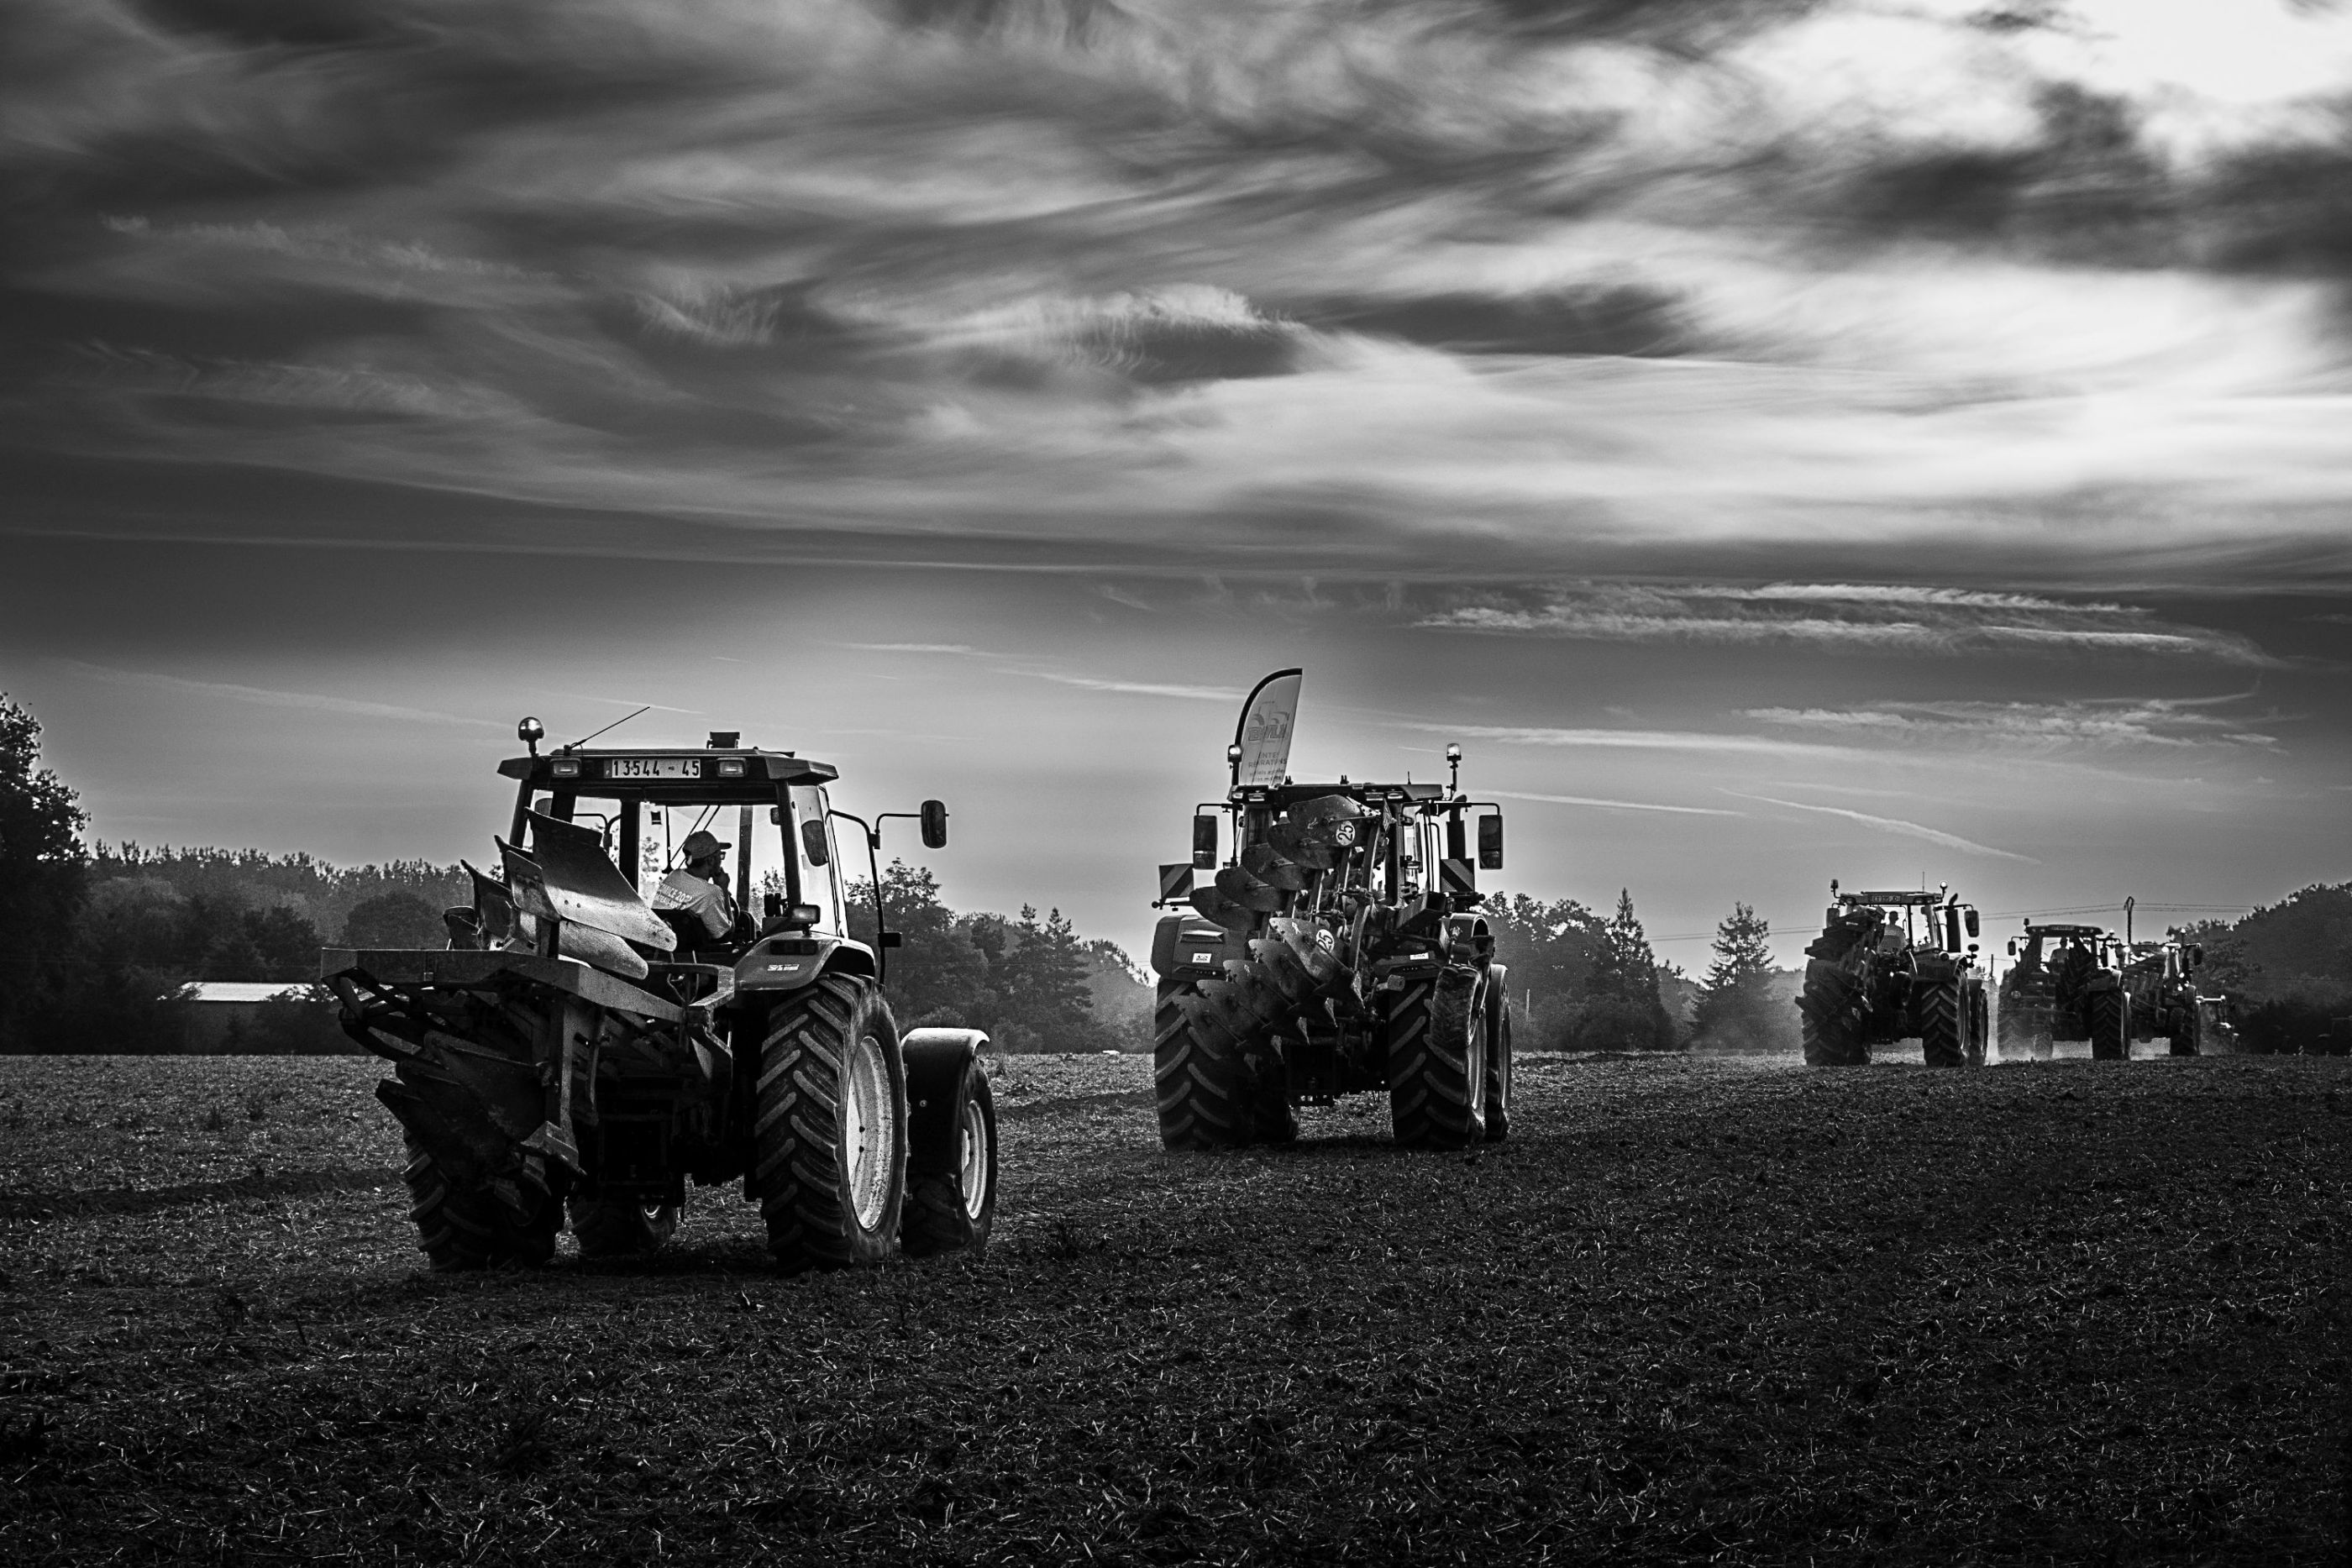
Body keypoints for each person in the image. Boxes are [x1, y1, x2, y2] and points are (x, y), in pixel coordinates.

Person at [654, 828, 738, 944]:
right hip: (697, 958)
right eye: (720, 855)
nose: (721, 860)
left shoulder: (673, 877)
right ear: (711, 860)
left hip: (664, 952)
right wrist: (723, 889)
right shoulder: (710, 893)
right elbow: (726, 936)